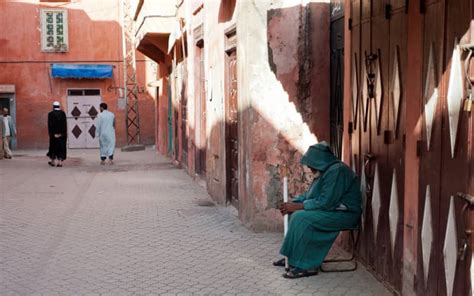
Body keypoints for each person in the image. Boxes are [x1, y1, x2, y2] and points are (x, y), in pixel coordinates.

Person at [274, 142, 362, 279]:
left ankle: (307, 265)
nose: (309, 167)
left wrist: (298, 206)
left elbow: (326, 202)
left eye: (311, 163)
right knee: (294, 214)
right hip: (332, 211)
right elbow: (310, 196)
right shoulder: (323, 171)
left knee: (301, 218)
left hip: (345, 215)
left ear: (319, 161)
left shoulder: (336, 171)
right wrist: (293, 204)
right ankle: (291, 259)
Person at [47, 101, 67, 167]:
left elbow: (50, 125)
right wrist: (62, 134)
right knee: (61, 147)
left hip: (53, 135)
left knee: (53, 147)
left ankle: (53, 161)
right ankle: (60, 162)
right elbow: (64, 125)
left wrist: (52, 134)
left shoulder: (50, 114)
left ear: (53, 106)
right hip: (61, 135)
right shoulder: (63, 113)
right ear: (59, 106)